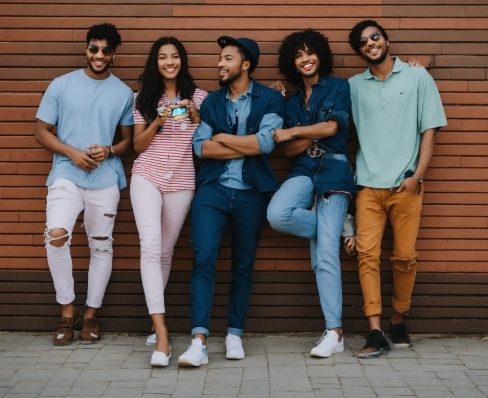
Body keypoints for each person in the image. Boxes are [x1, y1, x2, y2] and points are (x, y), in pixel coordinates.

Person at [177, 36, 284, 367]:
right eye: (219, 59)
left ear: (246, 64)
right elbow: (201, 148)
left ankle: (234, 333)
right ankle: (199, 341)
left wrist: (222, 137)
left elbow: (265, 145)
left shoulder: (269, 99)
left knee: (242, 265)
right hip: (213, 190)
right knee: (204, 259)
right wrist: (240, 142)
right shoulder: (211, 101)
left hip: (252, 193)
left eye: (226, 59)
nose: (219, 64)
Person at [347, 20, 447, 358]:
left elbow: (430, 129)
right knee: (367, 256)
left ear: (385, 39)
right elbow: (321, 102)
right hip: (367, 187)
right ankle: (375, 331)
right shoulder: (352, 86)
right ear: (359, 52)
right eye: (363, 42)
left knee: (404, 258)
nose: (371, 43)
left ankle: (397, 320)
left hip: (406, 185)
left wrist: (417, 176)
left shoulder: (418, 77)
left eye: (375, 36)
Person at [35, 23, 134, 346]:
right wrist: (72, 153)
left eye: (106, 50)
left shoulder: (122, 92)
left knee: (101, 245)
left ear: (114, 54)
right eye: (94, 48)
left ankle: (91, 315)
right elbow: (42, 132)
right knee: (56, 236)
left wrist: (109, 150)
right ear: (86, 49)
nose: (99, 55)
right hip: (66, 174)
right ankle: (67, 311)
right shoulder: (61, 86)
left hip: (105, 179)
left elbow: (127, 143)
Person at [266, 29, 355, 358]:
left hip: (334, 168)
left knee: (323, 257)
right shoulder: (289, 100)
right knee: (278, 213)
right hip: (303, 169)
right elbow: (289, 151)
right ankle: (338, 224)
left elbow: (334, 127)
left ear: (320, 55)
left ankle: (335, 331)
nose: (305, 59)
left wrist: (296, 131)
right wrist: (305, 134)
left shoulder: (338, 86)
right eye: (298, 55)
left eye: (310, 52)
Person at [129, 37, 207, 367]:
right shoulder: (143, 97)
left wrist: (194, 116)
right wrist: (160, 119)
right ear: (155, 62)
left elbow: (206, 139)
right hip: (147, 175)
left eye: (175, 56)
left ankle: (153, 321)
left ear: (182, 61)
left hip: (182, 181)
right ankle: (162, 335)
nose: (169, 62)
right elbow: (137, 145)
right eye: (162, 57)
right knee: (149, 247)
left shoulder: (200, 96)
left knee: (164, 251)